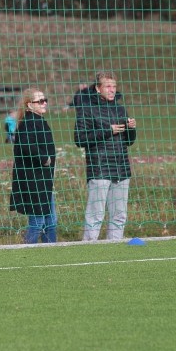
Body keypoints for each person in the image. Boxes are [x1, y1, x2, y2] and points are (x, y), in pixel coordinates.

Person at [74, 71, 137, 240]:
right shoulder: (86, 109)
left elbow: (129, 141)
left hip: (121, 167)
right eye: (108, 86)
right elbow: (79, 139)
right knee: (96, 214)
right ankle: (89, 248)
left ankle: (114, 248)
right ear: (98, 88)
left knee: (119, 214)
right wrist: (107, 131)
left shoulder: (120, 108)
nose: (112, 90)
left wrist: (132, 129)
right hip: (99, 167)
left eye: (114, 86)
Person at [9, 88, 57, 244]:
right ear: (29, 105)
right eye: (40, 101)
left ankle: (51, 254)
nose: (44, 103)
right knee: (37, 222)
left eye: (45, 100)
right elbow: (26, 144)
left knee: (50, 221)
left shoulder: (38, 120)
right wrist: (44, 158)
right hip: (34, 181)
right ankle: (27, 253)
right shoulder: (29, 122)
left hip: (43, 180)